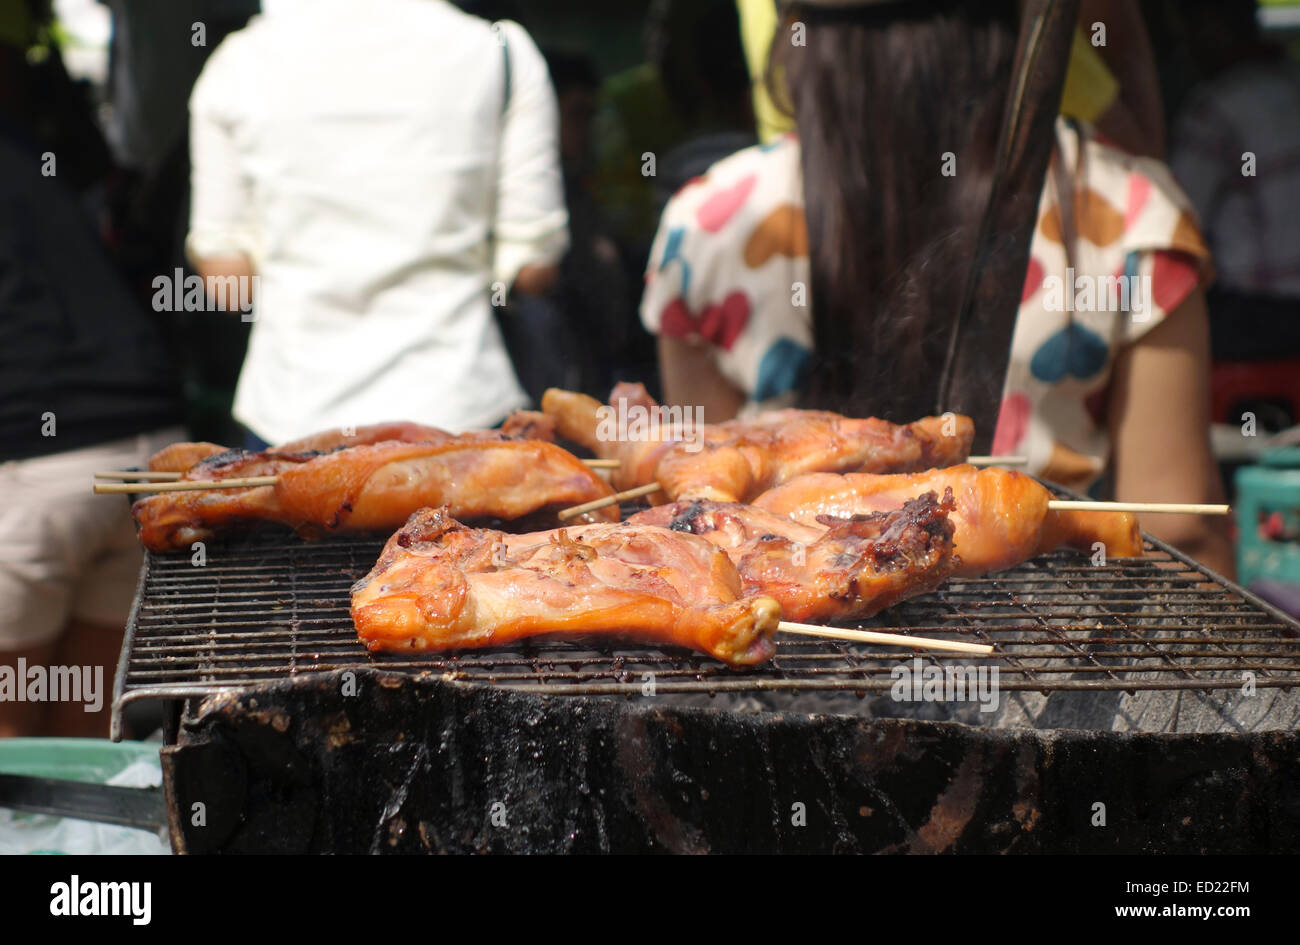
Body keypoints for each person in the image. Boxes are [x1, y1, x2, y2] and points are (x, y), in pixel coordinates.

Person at [640, 0, 1233, 575]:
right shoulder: (1131, 212)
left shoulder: (708, 222)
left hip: (787, 639)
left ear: (795, 38)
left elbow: (705, 493)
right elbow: (1177, 525)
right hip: (1050, 649)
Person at [187, 0, 568, 445]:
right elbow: (533, 270)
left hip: (292, 422)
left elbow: (228, 283)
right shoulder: (501, 53)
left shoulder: (236, 64)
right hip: (460, 414)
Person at [0, 1, 184, 737]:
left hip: (37, 467)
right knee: (83, 740)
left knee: (10, 752)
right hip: (146, 457)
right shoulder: (22, 152)